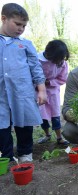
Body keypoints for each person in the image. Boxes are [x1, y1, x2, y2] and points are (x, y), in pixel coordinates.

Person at [0, 3, 47, 162]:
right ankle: (6, 157)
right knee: (2, 127)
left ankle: (25, 154)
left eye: (24, 26)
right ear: (4, 18)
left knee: (24, 124)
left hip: (22, 92)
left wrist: (41, 89)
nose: (21, 28)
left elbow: (36, 67)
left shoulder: (25, 44)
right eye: (17, 24)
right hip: (1, 95)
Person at [37, 40, 70, 146]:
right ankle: (47, 135)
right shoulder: (37, 60)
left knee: (55, 114)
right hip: (38, 91)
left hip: (53, 91)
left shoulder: (62, 63)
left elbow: (62, 78)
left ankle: (59, 137)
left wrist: (49, 82)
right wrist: (39, 84)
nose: (60, 61)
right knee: (42, 114)